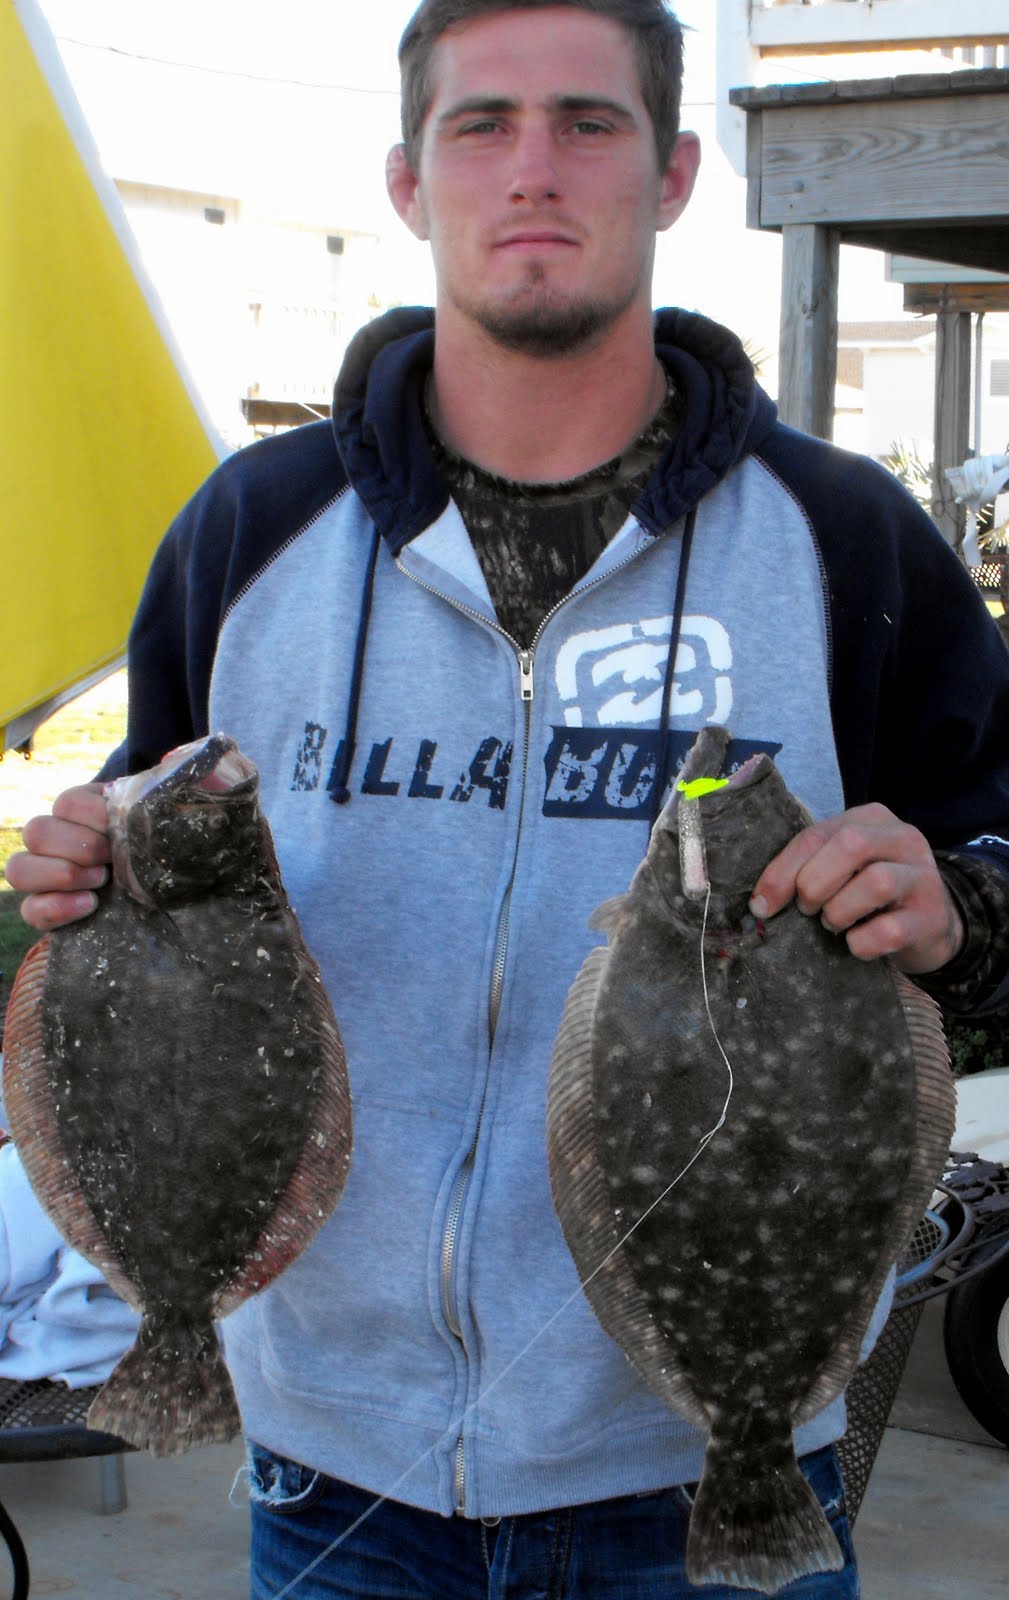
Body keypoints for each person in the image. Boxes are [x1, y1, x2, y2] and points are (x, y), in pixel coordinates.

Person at [8, 2, 1009, 1594]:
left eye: (586, 122)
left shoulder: (844, 539)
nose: (531, 170)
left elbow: (992, 872)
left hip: (708, 1464)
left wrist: (963, 908)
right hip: (329, 1457)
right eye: (481, 125)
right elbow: (143, 887)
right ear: (407, 179)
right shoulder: (248, 533)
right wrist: (76, 879)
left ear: (673, 171)